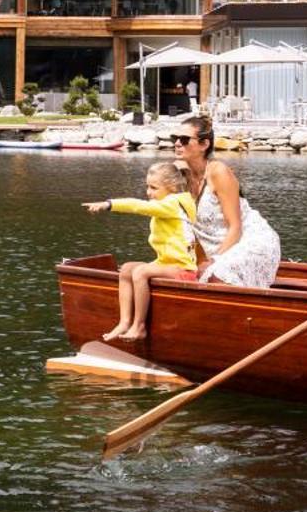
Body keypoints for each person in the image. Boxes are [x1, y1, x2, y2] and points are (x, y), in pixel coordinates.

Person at [86, 162, 203, 343]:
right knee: (126, 269)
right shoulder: (169, 202)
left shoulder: (172, 204)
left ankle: (139, 326)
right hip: (166, 264)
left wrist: (109, 204)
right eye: (147, 187)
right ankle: (125, 322)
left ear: (171, 187)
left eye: (154, 188)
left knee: (141, 272)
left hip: (183, 269)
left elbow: (137, 206)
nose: (148, 192)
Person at [171, 114, 281, 289]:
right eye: (174, 138)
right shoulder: (180, 176)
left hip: (250, 241)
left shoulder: (219, 172)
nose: (177, 143)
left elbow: (235, 227)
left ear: (204, 145)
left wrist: (214, 261)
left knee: (216, 275)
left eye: (184, 139)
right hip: (218, 248)